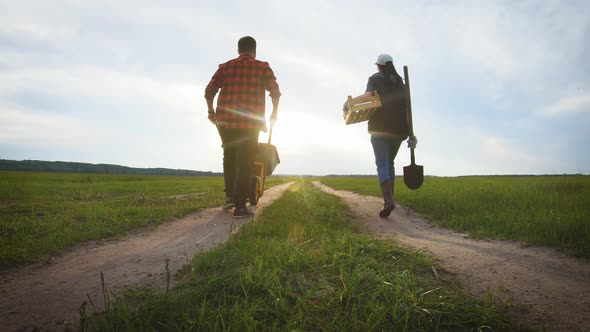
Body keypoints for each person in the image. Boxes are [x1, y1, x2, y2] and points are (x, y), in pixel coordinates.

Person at [205, 36, 281, 218]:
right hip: (250, 122)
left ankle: (230, 196)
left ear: (238, 50)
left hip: (225, 121)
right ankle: (240, 207)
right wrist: (274, 113)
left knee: (229, 156)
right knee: (245, 161)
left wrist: (211, 112)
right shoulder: (262, 67)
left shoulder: (225, 67)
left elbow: (209, 92)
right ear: (254, 50)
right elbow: (275, 92)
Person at [346, 54, 417, 218]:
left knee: (382, 164)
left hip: (380, 127)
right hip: (400, 130)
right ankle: (389, 199)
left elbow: (368, 96)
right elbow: (408, 110)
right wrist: (411, 134)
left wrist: (349, 102)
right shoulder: (401, 83)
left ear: (378, 66)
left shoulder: (375, 78)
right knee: (390, 163)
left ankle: (388, 201)